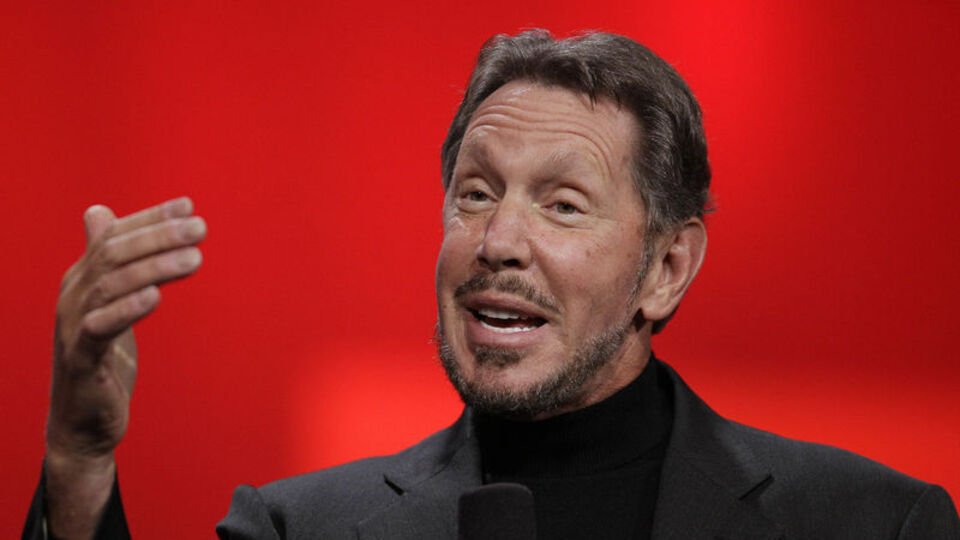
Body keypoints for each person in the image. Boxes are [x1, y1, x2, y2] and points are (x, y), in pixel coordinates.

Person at [24, 30, 960, 540]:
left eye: (562, 204)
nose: (498, 241)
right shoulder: (297, 529)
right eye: (475, 194)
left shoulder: (873, 524)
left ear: (666, 268)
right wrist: (78, 462)